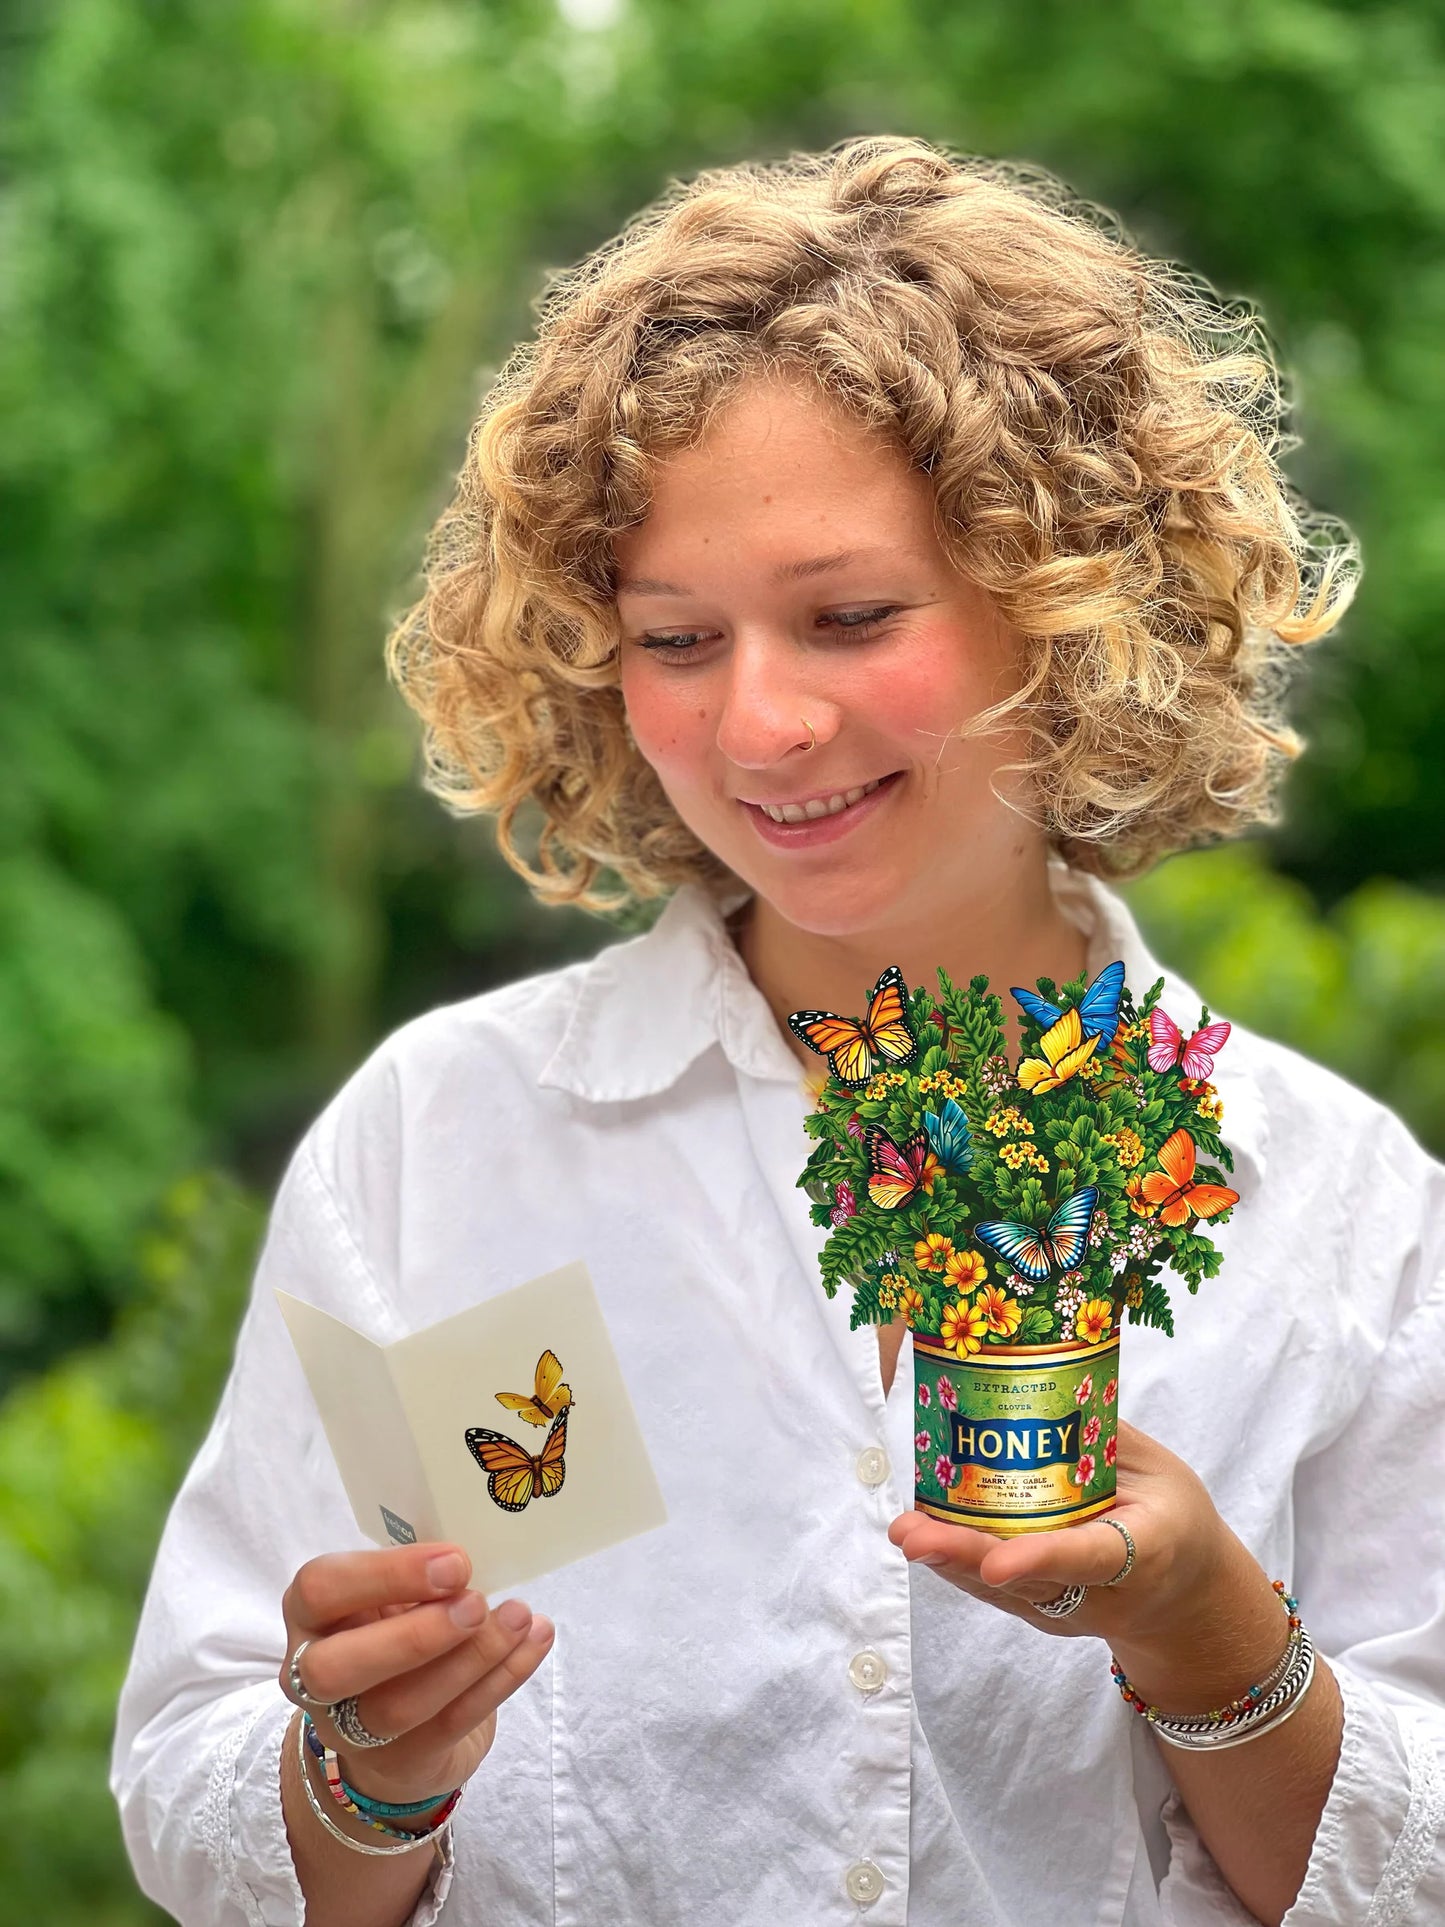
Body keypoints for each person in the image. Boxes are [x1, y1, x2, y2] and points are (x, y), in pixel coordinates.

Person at [112, 136, 1445, 1927]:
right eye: (673, 638)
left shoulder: (1337, 1209)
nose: (759, 725)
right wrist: (362, 1768)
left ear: (1065, 601)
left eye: (849, 618)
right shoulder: (445, 1142)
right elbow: (195, 1795)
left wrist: (1212, 1643)